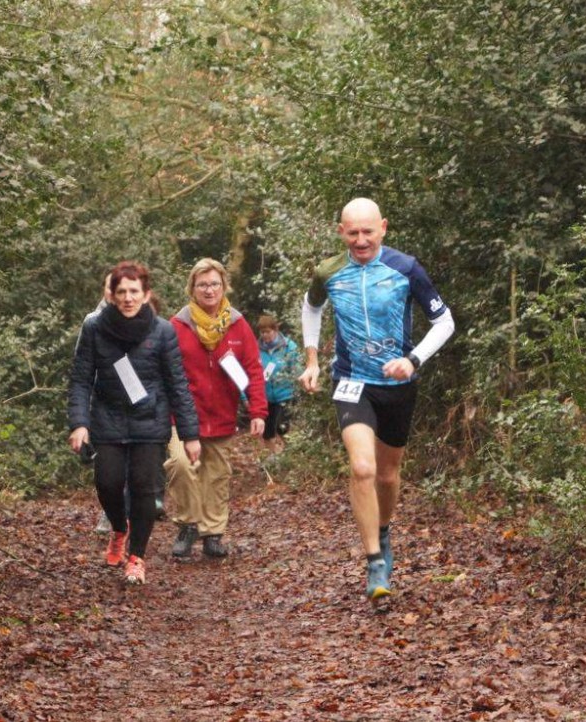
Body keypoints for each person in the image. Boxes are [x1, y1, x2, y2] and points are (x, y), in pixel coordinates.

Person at [298, 198, 455, 601]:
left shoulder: (406, 268)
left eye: (368, 232)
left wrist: (413, 359)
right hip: (352, 382)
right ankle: (374, 563)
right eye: (352, 233)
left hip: (398, 386)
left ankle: (383, 533)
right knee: (362, 467)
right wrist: (312, 359)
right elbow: (311, 307)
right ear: (341, 232)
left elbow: (444, 321)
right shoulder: (329, 271)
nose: (361, 240)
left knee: (387, 475)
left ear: (383, 228)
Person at [68, 261, 201, 585]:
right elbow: (81, 379)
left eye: (134, 291)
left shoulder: (163, 331)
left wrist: (189, 434)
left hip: (149, 421)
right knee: (108, 483)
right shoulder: (95, 328)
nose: (128, 298)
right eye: (122, 292)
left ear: (146, 294)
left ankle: (137, 557)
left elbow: (177, 384)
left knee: (144, 488)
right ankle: (119, 528)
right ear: (111, 295)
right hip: (107, 418)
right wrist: (79, 423)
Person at [166, 258, 267, 559]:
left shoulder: (237, 324)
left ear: (224, 286)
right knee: (180, 465)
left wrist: (258, 411)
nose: (209, 290)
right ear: (192, 288)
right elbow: (165, 371)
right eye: (202, 285)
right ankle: (188, 524)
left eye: (214, 284)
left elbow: (253, 369)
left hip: (222, 413)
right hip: (183, 414)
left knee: (216, 474)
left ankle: (212, 532)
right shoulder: (177, 325)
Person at [257, 314, 301, 456]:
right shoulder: (256, 348)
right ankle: (275, 456)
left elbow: (297, 369)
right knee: (267, 432)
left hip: (285, 394)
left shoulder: (288, 346)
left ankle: (288, 456)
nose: (265, 335)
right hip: (266, 397)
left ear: (275, 330)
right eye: (262, 332)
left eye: (268, 331)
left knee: (282, 428)